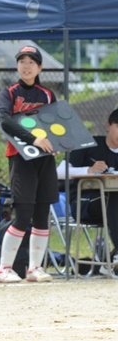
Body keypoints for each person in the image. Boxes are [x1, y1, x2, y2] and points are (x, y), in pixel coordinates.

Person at [0, 45, 56, 283]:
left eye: (31, 62)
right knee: (23, 214)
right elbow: (5, 121)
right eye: (22, 61)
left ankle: (34, 268)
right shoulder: (9, 93)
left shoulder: (47, 94)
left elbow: (56, 124)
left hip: (45, 158)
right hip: (20, 158)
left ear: (40, 67)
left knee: (42, 213)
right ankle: (4, 269)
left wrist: (57, 143)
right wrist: (33, 139)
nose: (26, 66)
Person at [55, 107, 118, 272]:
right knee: (114, 197)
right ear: (108, 126)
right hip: (84, 203)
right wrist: (88, 170)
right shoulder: (88, 144)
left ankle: (110, 261)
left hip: (111, 208)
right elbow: (59, 172)